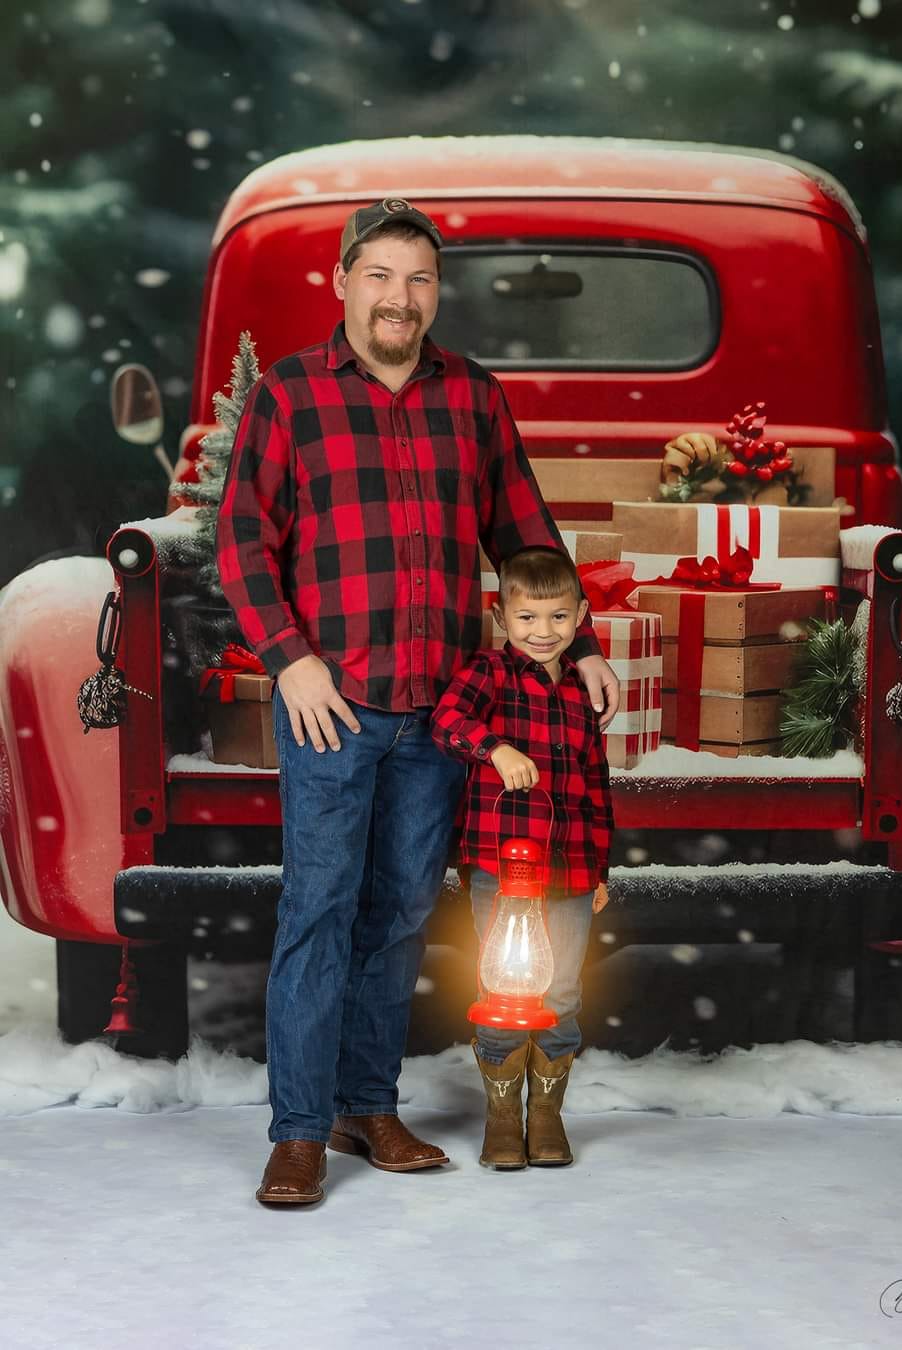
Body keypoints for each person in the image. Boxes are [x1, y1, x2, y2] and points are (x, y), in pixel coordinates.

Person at [215, 198, 620, 1206]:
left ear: (437, 292)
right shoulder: (291, 397)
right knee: (318, 912)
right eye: (382, 277)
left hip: (442, 716)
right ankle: (301, 1132)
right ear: (343, 282)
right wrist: (291, 661)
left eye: (420, 279)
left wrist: (590, 643)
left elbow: (524, 534)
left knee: (398, 916)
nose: (402, 298)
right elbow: (241, 544)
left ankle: (367, 1106)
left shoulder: (472, 397)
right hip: (333, 706)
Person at [431, 546, 614, 1170]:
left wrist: (601, 872)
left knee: (561, 990)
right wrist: (495, 748)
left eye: (559, 618)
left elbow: (596, 790)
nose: (544, 632)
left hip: (570, 873)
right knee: (505, 986)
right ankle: (503, 1118)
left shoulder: (579, 700)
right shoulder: (490, 674)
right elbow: (446, 721)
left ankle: (548, 1118)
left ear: (581, 617)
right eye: (528, 618)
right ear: (501, 616)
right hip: (501, 870)